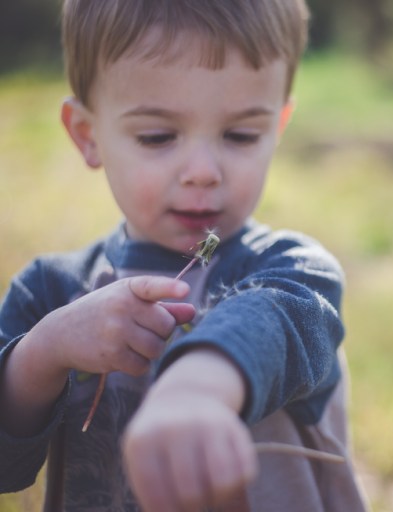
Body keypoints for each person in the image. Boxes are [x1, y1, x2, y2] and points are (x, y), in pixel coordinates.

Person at [0, 0, 369, 510]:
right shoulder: (48, 293)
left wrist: (198, 386)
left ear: (277, 128)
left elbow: (278, 319)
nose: (203, 171)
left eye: (241, 135)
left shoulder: (293, 273)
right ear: (88, 136)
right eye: (158, 136)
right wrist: (43, 352)